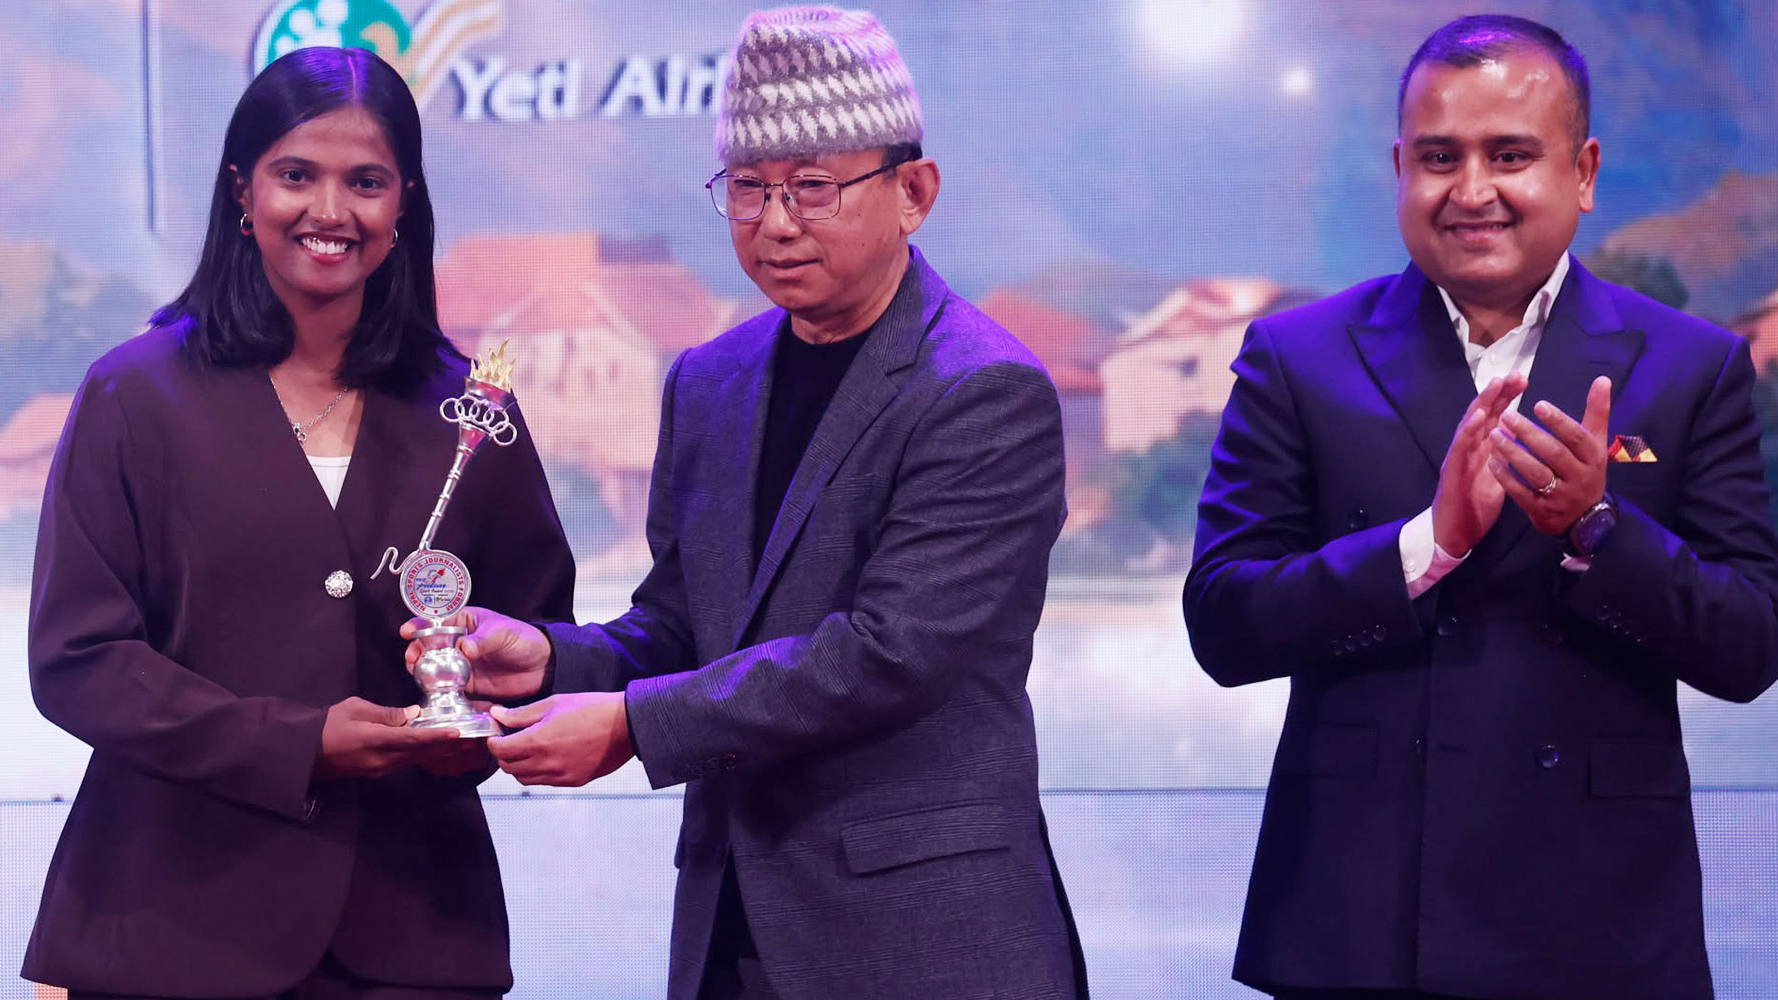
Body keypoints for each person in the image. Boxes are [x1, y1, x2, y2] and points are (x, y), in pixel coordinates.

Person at [402, 7, 1086, 999]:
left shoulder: (983, 388)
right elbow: (685, 624)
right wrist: (553, 658)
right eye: (749, 187)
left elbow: (888, 656)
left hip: (924, 939)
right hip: (733, 928)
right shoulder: (710, 380)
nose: (775, 222)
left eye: (813, 186)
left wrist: (632, 724)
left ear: (914, 192)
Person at [1184, 14, 1778, 1000]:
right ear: (1399, 170)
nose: (1471, 190)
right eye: (1438, 158)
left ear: (1583, 172)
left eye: (1509, 155)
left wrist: (1596, 527)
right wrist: (1428, 545)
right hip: (1365, 921)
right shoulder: (1297, 358)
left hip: (1603, 925)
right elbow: (1223, 624)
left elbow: (1751, 645)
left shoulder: (1692, 366)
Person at [23, 47, 574, 999]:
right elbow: (79, 660)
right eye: (296, 175)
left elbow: (536, 640)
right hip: (171, 930)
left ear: (405, 203)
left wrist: (473, 712)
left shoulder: (471, 411)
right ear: (243, 191)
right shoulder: (134, 395)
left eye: (366, 181)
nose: (331, 210)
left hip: (413, 935)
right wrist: (295, 743)